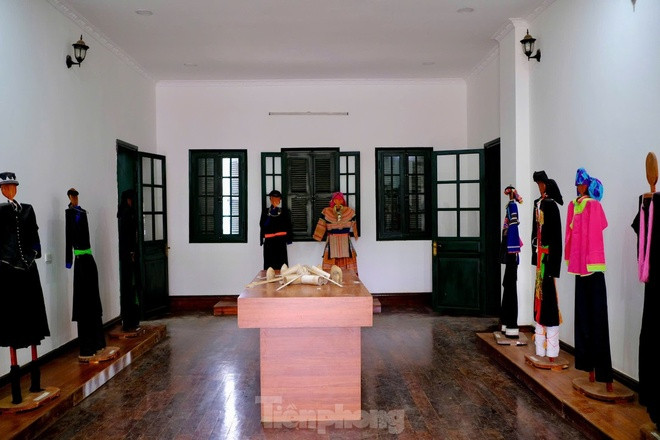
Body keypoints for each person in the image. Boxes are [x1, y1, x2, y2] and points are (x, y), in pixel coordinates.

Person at [0, 172, 50, 404]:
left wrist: (34, 254)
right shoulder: (0, 212)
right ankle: (16, 388)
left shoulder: (28, 210)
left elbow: (35, 237)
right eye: (5, 187)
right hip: (8, 273)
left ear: (16, 188)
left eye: (12, 186)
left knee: (33, 317)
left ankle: (36, 381)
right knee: (13, 321)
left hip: (29, 271)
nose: (9, 190)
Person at [565, 167, 613, 392]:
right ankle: (591, 367)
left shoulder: (588, 206)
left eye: (582, 184)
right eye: (578, 184)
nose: (579, 187)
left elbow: (597, 226)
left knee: (594, 319)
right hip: (584, 267)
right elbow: (602, 225)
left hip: (589, 267)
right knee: (588, 318)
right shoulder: (576, 206)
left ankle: (601, 371)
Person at [631, 152, 660, 423]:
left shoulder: (650, 204)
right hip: (651, 285)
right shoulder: (647, 203)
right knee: (650, 334)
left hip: (653, 284)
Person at [65, 188, 106, 360]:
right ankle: (87, 346)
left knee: (93, 300)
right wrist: (68, 261)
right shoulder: (69, 214)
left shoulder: (82, 212)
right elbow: (68, 238)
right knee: (83, 303)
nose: (75, 199)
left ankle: (98, 342)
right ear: (69, 197)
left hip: (89, 260)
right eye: (72, 196)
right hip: (80, 261)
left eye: (76, 196)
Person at [531, 171, 564, 359]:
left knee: (549, 300)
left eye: (541, 184)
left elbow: (557, 239)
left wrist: (553, 267)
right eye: (537, 184)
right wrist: (534, 257)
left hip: (548, 261)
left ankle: (551, 348)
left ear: (546, 185)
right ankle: (540, 346)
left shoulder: (551, 206)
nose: (539, 188)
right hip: (540, 261)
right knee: (539, 298)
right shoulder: (538, 204)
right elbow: (535, 233)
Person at [312, 191, 359, 273]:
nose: (338, 202)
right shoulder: (326, 212)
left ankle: (348, 278)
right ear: (333, 201)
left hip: (345, 242)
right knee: (330, 270)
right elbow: (321, 225)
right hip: (332, 242)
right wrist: (318, 236)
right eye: (336, 200)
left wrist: (356, 234)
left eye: (340, 200)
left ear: (343, 201)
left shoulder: (350, 212)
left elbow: (354, 225)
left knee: (348, 270)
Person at [500, 185, 522, 338]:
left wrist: (511, 250)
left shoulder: (512, 207)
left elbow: (513, 229)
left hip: (511, 251)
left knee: (510, 286)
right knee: (509, 285)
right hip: (510, 251)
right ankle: (507, 322)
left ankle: (510, 323)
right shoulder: (510, 206)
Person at [117, 189, 140, 332]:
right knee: (129, 287)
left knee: (130, 287)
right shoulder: (126, 214)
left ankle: (131, 320)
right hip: (128, 254)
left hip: (127, 254)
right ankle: (129, 321)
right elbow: (128, 235)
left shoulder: (125, 213)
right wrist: (131, 252)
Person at [259, 190, 293, 270]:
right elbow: (263, 225)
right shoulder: (265, 211)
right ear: (270, 199)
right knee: (269, 265)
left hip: (281, 241)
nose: (275, 200)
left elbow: (288, 225)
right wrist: (270, 213)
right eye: (273, 198)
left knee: (282, 265)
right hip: (269, 242)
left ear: (280, 200)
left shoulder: (284, 212)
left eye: (277, 198)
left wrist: (289, 239)